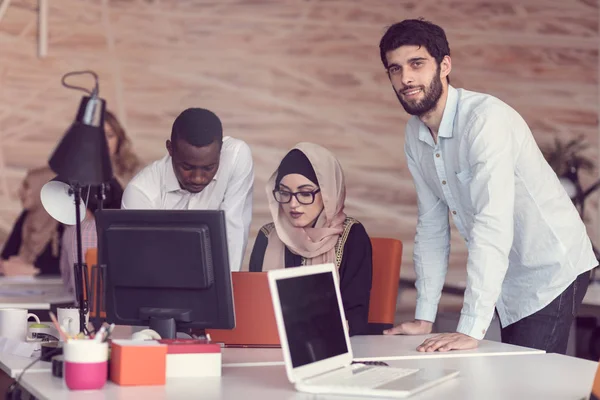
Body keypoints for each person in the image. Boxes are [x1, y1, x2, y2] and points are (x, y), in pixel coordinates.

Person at [379, 18, 597, 354]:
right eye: (395, 69)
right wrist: (425, 315)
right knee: (510, 376)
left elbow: (491, 224)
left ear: (445, 65)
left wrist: (470, 328)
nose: (405, 78)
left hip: (550, 267)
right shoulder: (415, 134)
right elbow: (432, 227)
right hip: (506, 273)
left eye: (417, 64)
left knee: (529, 383)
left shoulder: (484, 122)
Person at [249, 143, 372, 336]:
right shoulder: (267, 236)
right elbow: (255, 311)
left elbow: (356, 317)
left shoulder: (351, 235)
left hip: (334, 349)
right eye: (284, 192)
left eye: (305, 193)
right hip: (271, 346)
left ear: (328, 193)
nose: (293, 204)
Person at [121, 108, 254, 272]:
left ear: (221, 152)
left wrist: (226, 293)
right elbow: (143, 265)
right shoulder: (141, 193)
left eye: (209, 168)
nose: (198, 178)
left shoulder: (235, 157)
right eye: (187, 167)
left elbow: (234, 234)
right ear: (170, 149)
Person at [60, 178, 123, 294]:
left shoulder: (72, 232)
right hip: (121, 309)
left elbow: (68, 282)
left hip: (83, 309)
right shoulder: (126, 232)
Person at [1, 167, 63, 276]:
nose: (19, 191)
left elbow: (68, 269)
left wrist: (31, 271)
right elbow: (6, 255)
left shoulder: (63, 224)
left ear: (42, 188)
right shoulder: (25, 217)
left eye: (26, 186)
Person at [104, 110, 143, 188]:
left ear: (119, 138)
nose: (104, 141)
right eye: (99, 136)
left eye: (110, 135)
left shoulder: (134, 170)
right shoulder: (78, 173)